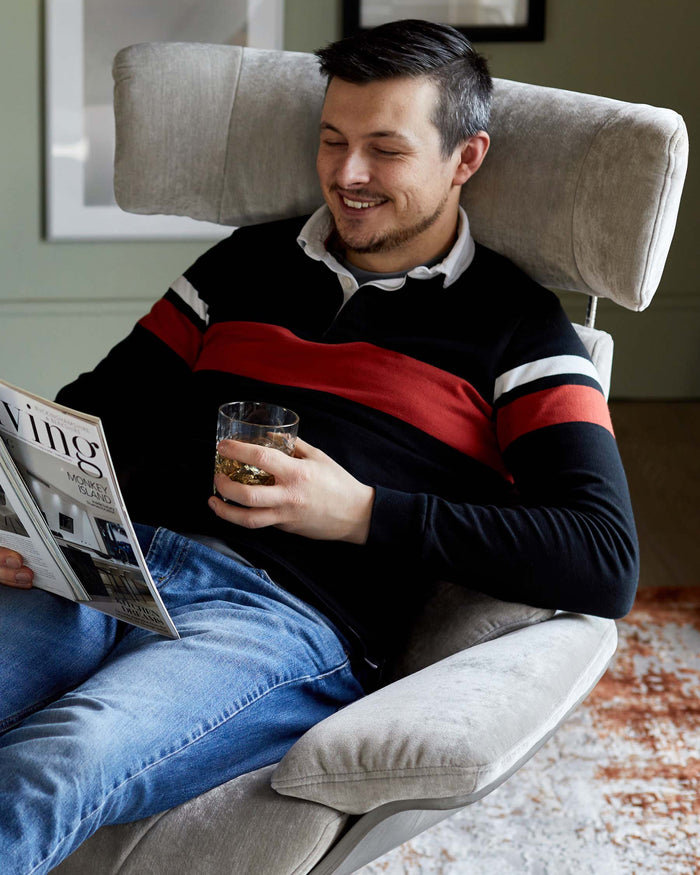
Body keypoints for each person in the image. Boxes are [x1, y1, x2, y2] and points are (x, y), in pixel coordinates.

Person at [0, 19, 638, 873]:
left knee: (55, 765)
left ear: (466, 158)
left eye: (386, 149)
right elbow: (92, 416)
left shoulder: (518, 331)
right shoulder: (242, 266)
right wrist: (24, 515)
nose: (347, 175)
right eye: (333, 141)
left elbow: (602, 556)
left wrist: (361, 514)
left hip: (276, 621)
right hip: (113, 562)